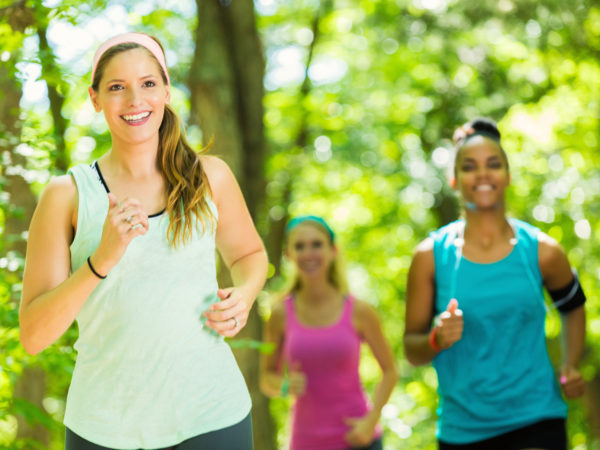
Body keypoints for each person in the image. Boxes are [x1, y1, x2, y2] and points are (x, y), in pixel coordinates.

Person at [19, 32, 268, 450]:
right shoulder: (67, 195)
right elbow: (35, 335)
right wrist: (102, 258)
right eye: (117, 87)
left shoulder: (209, 177)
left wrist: (245, 292)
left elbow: (249, 254)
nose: (135, 100)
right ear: (95, 99)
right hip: (102, 429)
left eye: (148, 83)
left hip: (212, 417)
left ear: (167, 91)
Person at [403, 118, 587, 450]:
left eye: (494, 165)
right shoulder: (430, 257)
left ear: (508, 175)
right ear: (455, 179)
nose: (484, 175)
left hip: (537, 420)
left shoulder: (542, 251)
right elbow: (411, 350)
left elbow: (573, 308)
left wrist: (569, 364)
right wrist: (436, 337)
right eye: (470, 167)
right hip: (463, 430)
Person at [260, 216, 398, 450]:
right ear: (288, 254)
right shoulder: (280, 313)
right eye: (299, 246)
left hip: (358, 439)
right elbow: (266, 378)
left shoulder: (360, 311)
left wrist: (372, 419)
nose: (308, 253)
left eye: (316, 244)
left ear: (332, 250)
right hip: (306, 442)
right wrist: (285, 386)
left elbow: (390, 371)